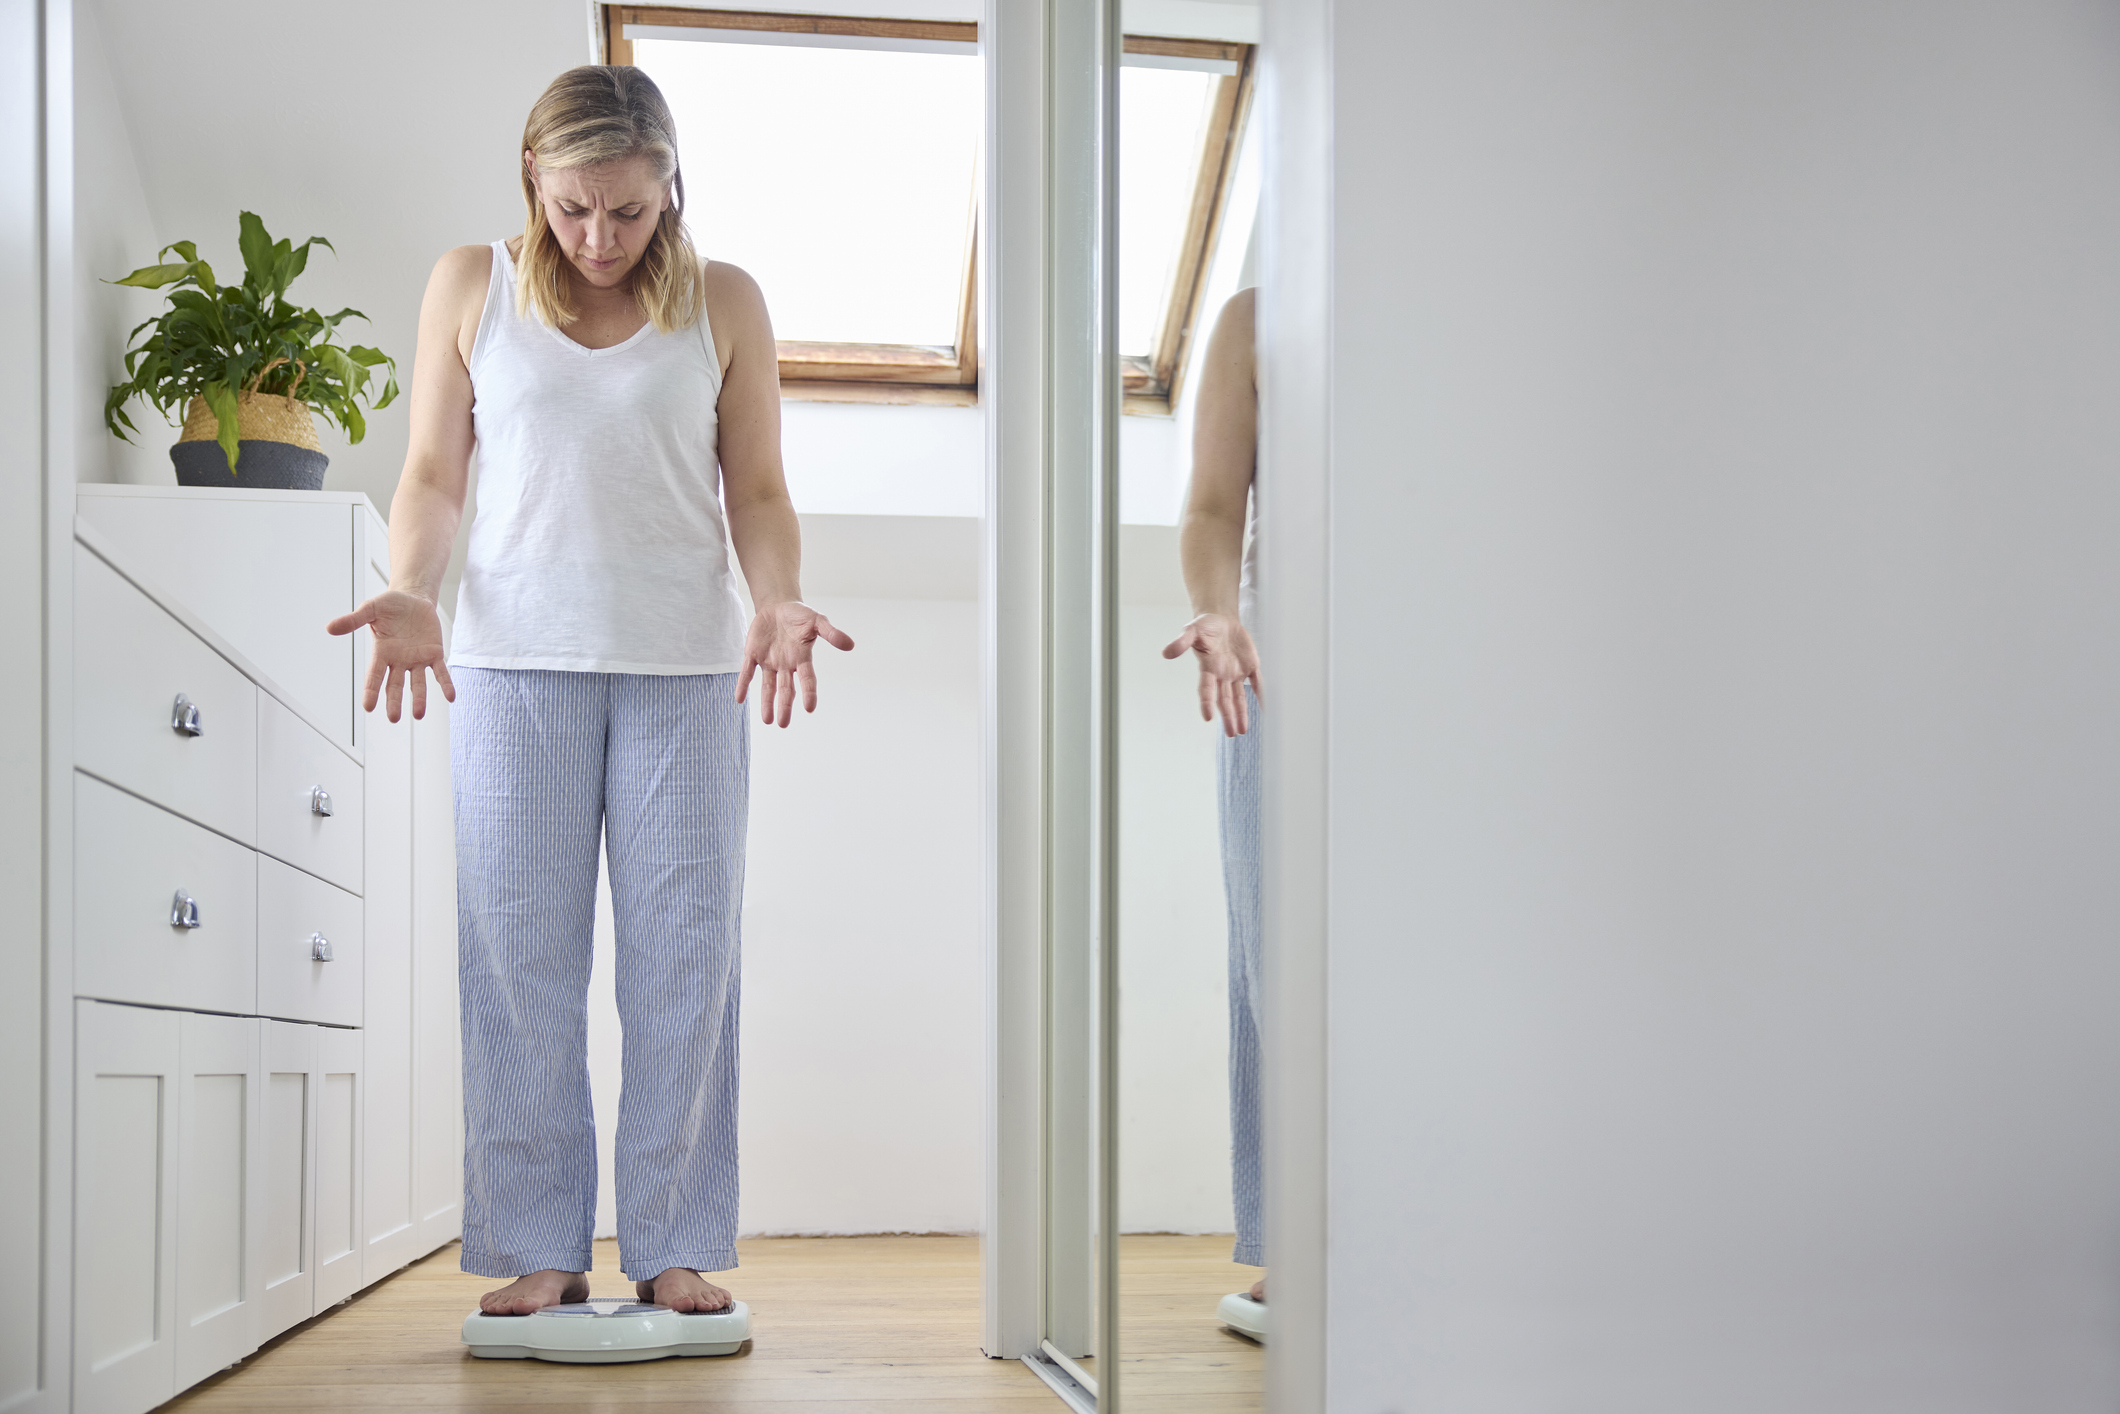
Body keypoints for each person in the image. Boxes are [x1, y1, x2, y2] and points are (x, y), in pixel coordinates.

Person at [327, 66, 851, 1318]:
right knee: (518, 964)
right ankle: (535, 1243)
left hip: (683, 671)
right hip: (511, 667)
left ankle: (674, 1239)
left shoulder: (723, 301)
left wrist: (778, 596)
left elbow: (758, 489)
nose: (600, 239)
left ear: (670, 186)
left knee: (683, 963)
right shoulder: (471, 285)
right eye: (573, 209)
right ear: (533, 182)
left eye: (627, 209)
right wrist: (411, 583)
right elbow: (433, 475)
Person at [1162, 287, 1265, 1303]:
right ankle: (1302, 1241)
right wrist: (1215, 612)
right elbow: (1209, 506)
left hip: (1451, 664)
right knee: (1274, 955)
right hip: (1271, 663)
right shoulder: (1254, 321)